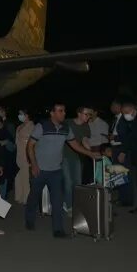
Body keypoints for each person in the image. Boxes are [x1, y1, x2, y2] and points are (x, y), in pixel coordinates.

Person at [25, 102, 100, 238]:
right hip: (40, 170)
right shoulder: (42, 126)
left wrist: (90, 154)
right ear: (52, 113)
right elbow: (30, 146)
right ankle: (29, 220)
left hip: (56, 170)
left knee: (58, 200)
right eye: (60, 111)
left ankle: (58, 229)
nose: (63, 113)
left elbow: (75, 145)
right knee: (34, 197)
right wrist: (34, 165)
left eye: (64, 111)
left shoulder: (66, 127)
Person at [61, 107, 91, 212]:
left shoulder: (86, 126)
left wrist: (91, 152)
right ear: (79, 114)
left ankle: (76, 204)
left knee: (78, 182)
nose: (88, 117)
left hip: (77, 156)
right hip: (63, 156)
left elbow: (85, 140)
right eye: (86, 114)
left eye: (89, 115)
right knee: (68, 182)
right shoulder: (67, 123)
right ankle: (68, 205)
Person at [0, 116, 16, 199]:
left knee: (3, 181)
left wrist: (7, 142)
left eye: (0, 123)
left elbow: (12, 147)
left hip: (5, 160)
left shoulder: (5, 132)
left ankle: (2, 200)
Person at [14, 109, 34, 204]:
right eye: (19, 114)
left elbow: (34, 144)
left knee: (26, 177)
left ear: (27, 115)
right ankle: (19, 196)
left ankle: (26, 198)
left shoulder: (32, 127)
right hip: (18, 155)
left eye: (21, 114)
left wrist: (31, 158)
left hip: (26, 155)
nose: (19, 116)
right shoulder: (19, 126)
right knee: (18, 176)